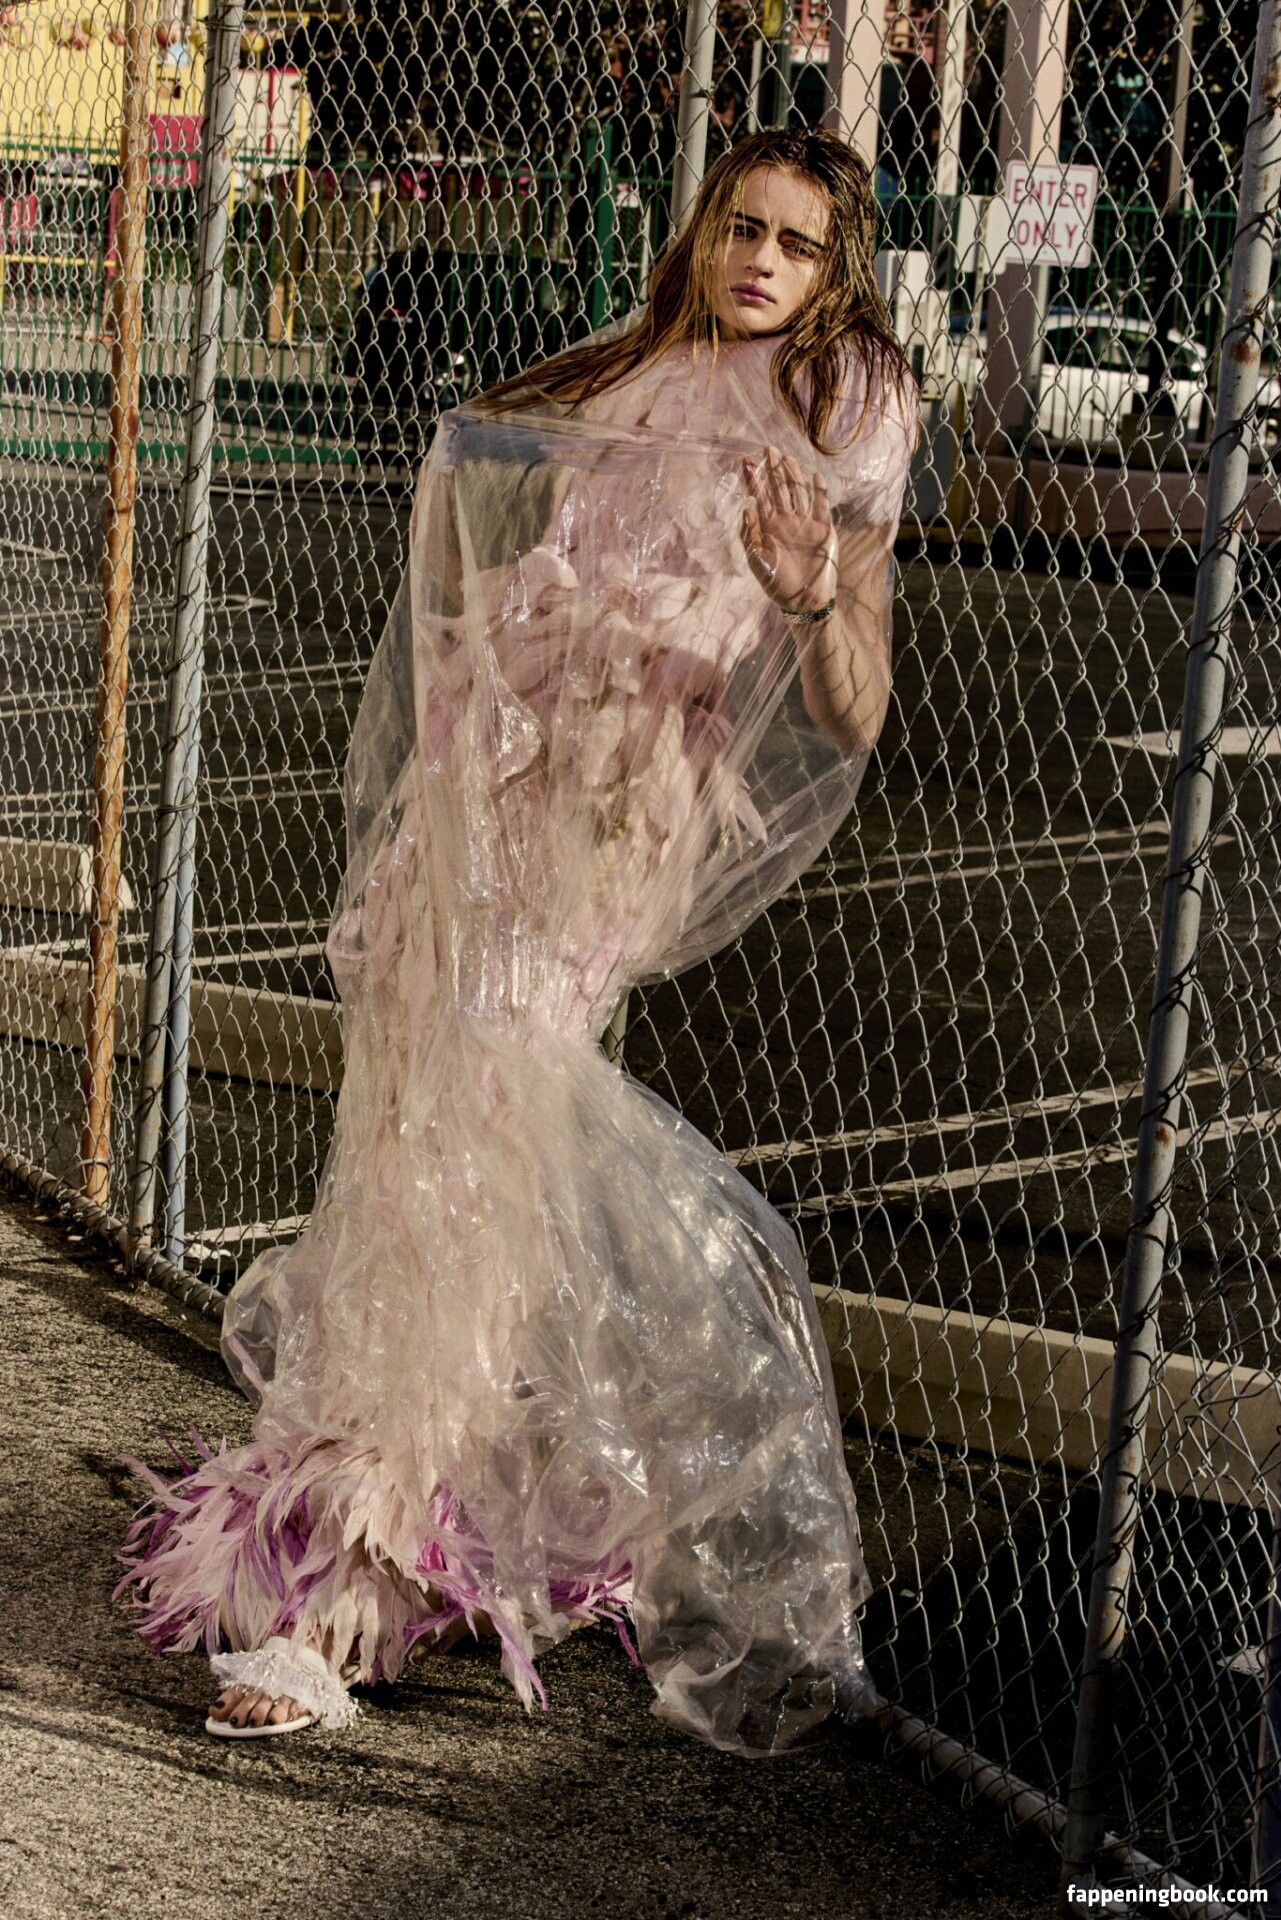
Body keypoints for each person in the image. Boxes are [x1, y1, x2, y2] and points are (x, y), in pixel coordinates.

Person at [118, 126, 917, 1758]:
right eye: (740, 227)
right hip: (479, 792)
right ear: (701, 231)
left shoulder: (841, 412)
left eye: (796, 243)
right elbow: (493, 538)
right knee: (409, 1143)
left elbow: (853, 708)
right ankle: (388, 1481)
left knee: (468, 1148)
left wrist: (805, 583)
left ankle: (355, 1579)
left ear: (841, 269)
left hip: (609, 822)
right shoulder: (629, 375)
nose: (758, 261)